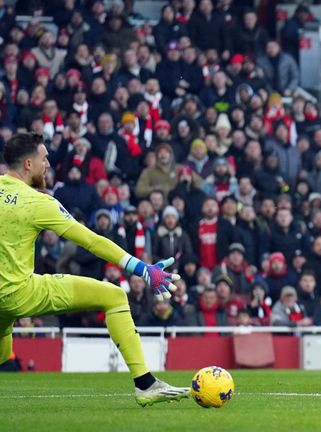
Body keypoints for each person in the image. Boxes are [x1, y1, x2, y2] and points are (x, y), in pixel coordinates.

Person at [0, 133, 188, 406]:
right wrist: (141, 268)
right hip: (18, 292)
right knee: (113, 296)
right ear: (28, 164)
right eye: (44, 159)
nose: (48, 165)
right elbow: (91, 240)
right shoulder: (38, 203)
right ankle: (146, 384)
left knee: (4, 357)